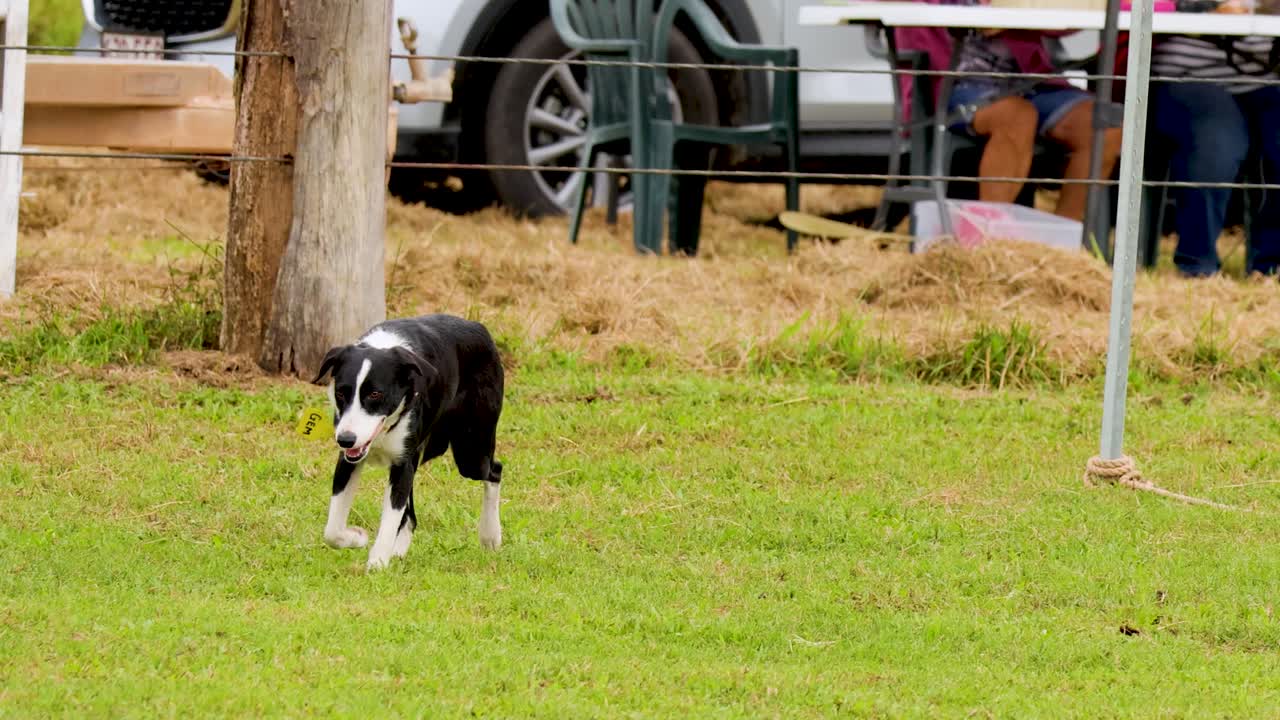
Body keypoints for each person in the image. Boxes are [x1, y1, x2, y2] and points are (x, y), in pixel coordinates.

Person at [897, 16, 1123, 221]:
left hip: (1028, 79)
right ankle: (992, 239)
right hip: (953, 81)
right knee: (1017, 117)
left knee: (1104, 125)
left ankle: (1064, 242)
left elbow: (1061, 21)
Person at [1150, 32, 1280, 276]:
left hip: (1268, 72)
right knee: (1216, 143)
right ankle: (1198, 267)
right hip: (1187, 73)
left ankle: (1271, 269)